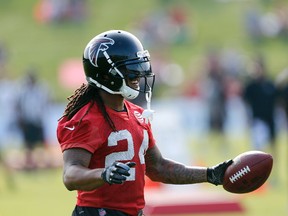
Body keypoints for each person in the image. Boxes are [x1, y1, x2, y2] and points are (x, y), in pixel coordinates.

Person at [57, 30, 233, 216]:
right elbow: (71, 175)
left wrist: (210, 174)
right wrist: (104, 174)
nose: (138, 76)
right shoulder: (86, 118)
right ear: (106, 75)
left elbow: (159, 168)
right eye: (130, 70)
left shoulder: (137, 114)